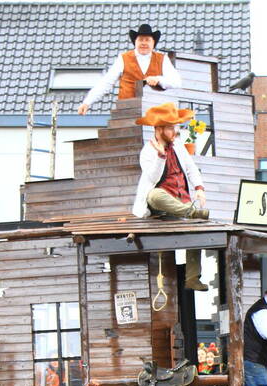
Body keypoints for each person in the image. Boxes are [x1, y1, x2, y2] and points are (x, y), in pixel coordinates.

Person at [132, 102, 209, 290]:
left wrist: (199, 187)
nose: (173, 131)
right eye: (169, 128)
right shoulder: (148, 151)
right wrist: (160, 157)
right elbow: (153, 177)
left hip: (180, 200)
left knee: (196, 229)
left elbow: (190, 168)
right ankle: (190, 212)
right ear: (158, 130)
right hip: (162, 204)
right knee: (154, 195)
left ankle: (192, 277)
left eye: (174, 127)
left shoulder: (179, 147)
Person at [77, 23, 181, 115]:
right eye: (140, 40)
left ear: (153, 43)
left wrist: (158, 79)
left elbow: (177, 82)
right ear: (135, 42)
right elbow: (106, 82)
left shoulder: (163, 59)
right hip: (127, 113)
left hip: (153, 114)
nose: (144, 43)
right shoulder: (123, 58)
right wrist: (87, 102)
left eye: (147, 40)